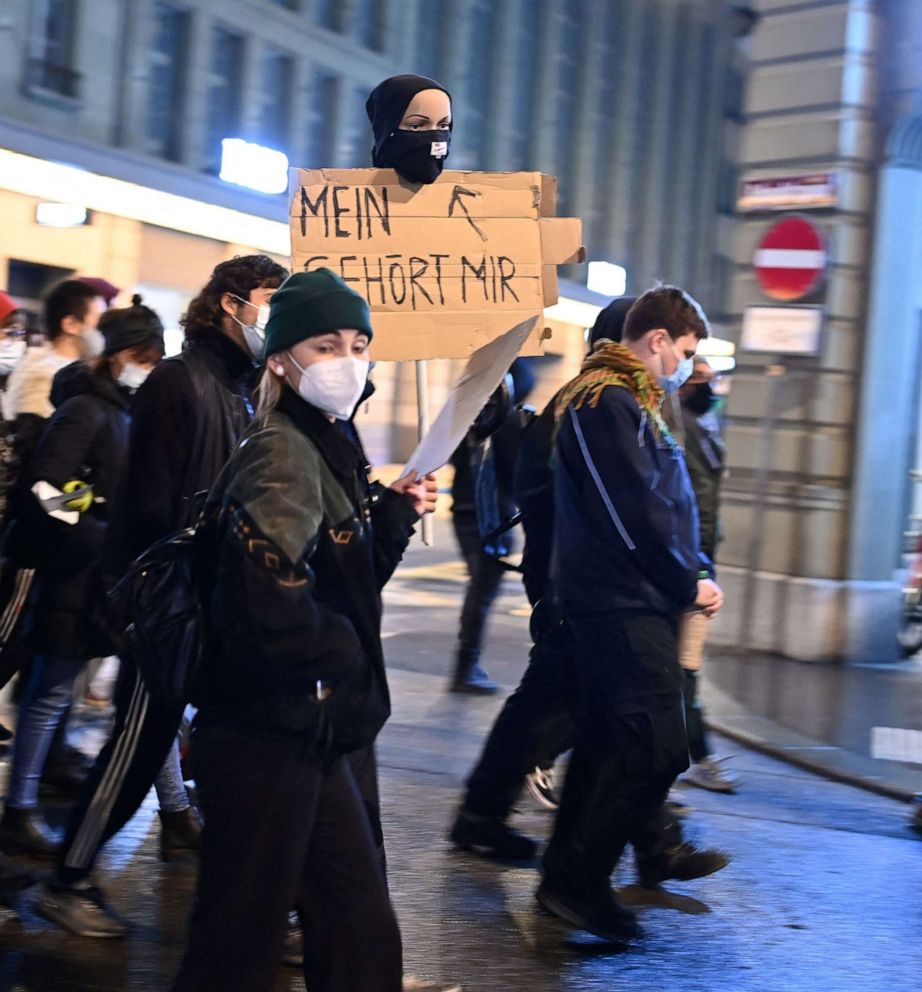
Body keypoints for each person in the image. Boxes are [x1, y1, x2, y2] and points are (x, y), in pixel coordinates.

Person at [171, 269, 440, 992]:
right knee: (239, 940)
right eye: (327, 344)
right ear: (283, 358)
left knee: (354, 924)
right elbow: (269, 601)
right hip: (266, 732)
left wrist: (394, 515)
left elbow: (343, 579)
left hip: (307, 729)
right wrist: (345, 654)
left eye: (358, 342)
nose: (349, 359)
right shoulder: (285, 452)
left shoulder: (327, 443)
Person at [36, 255, 288, 938]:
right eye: (273, 299)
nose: (280, 314)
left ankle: (254, 893)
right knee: (138, 746)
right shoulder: (182, 382)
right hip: (169, 603)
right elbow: (146, 505)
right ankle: (70, 876)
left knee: (228, 749)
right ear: (233, 304)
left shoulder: (242, 389)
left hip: (216, 600)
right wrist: (145, 594)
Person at [536, 285, 726, 946]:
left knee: (606, 739)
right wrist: (683, 580)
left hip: (637, 597)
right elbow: (631, 515)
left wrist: (696, 568)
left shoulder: (636, 402)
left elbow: (666, 503)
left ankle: (567, 881)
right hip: (616, 602)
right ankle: (578, 880)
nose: (686, 366)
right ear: (656, 341)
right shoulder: (600, 403)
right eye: (686, 352)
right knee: (655, 744)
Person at [0, 297, 173, 861]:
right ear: (122, 356)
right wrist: (98, 524)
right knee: (49, 694)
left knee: (65, 694)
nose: (151, 369)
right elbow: (46, 488)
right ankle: (18, 809)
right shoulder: (88, 411)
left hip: (101, 579)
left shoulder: (124, 408)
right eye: (146, 358)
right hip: (74, 574)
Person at [673, 357, 738, 794]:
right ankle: (698, 756)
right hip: (684, 565)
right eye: (702, 380)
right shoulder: (674, 427)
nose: (710, 387)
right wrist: (695, 565)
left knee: (680, 670)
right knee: (681, 670)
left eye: (713, 380)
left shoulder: (704, 428)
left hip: (699, 563)